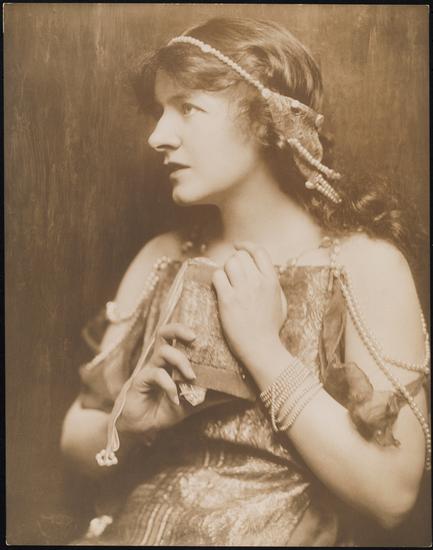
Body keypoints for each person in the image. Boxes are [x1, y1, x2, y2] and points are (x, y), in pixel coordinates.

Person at [60, 17, 430, 546]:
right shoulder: (163, 258)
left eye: (188, 108)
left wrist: (263, 351)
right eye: (160, 111)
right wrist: (134, 424)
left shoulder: (365, 266)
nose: (158, 136)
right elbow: (76, 446)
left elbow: (392, 497)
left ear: (266, 122)